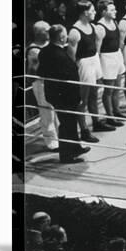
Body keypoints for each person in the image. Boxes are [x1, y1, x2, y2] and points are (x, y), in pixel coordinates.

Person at [38, 25, 91, 163]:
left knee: (70, 122)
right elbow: (71, 77)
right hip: (65, 95)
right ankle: (67, 155)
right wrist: (78, 96)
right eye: (65, 34)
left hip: (55, 93)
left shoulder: (44, 51)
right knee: (67, 124)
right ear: (62, 38)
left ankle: (75, 147)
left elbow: (40, 72)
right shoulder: (60, 55)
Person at [67, 1, 111, 141]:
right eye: (92, 11)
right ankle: (84, 130)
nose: (95, 13)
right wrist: (74, 73)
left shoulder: (92, 26)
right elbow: (71, 56)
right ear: (85, 12)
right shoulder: (74, 31)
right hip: (83, 64)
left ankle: (96, 122)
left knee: (94, 94)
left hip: (94, 60)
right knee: (82, 100)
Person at [96, 0, 126, 126]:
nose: (115, 11)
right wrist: (99, 68)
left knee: (117, 87)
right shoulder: (100, 27)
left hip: (117, 55)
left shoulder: (114, 22)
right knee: (109, 90)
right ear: (104, 12)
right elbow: (97, 50)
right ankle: (110, 116)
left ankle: (116, 111)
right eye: (111, 10)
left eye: (114, 9)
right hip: (106, 58)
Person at [26, 21, 59, 151]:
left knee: (55, 111)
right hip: (41, 83)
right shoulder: (33, 50)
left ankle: (59, 137)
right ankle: (51, 142)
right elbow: (35, 69)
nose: (49, 33)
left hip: (52, 81)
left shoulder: (49, 45)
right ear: (39, 33)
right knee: (46, 112)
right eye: (46, 30)